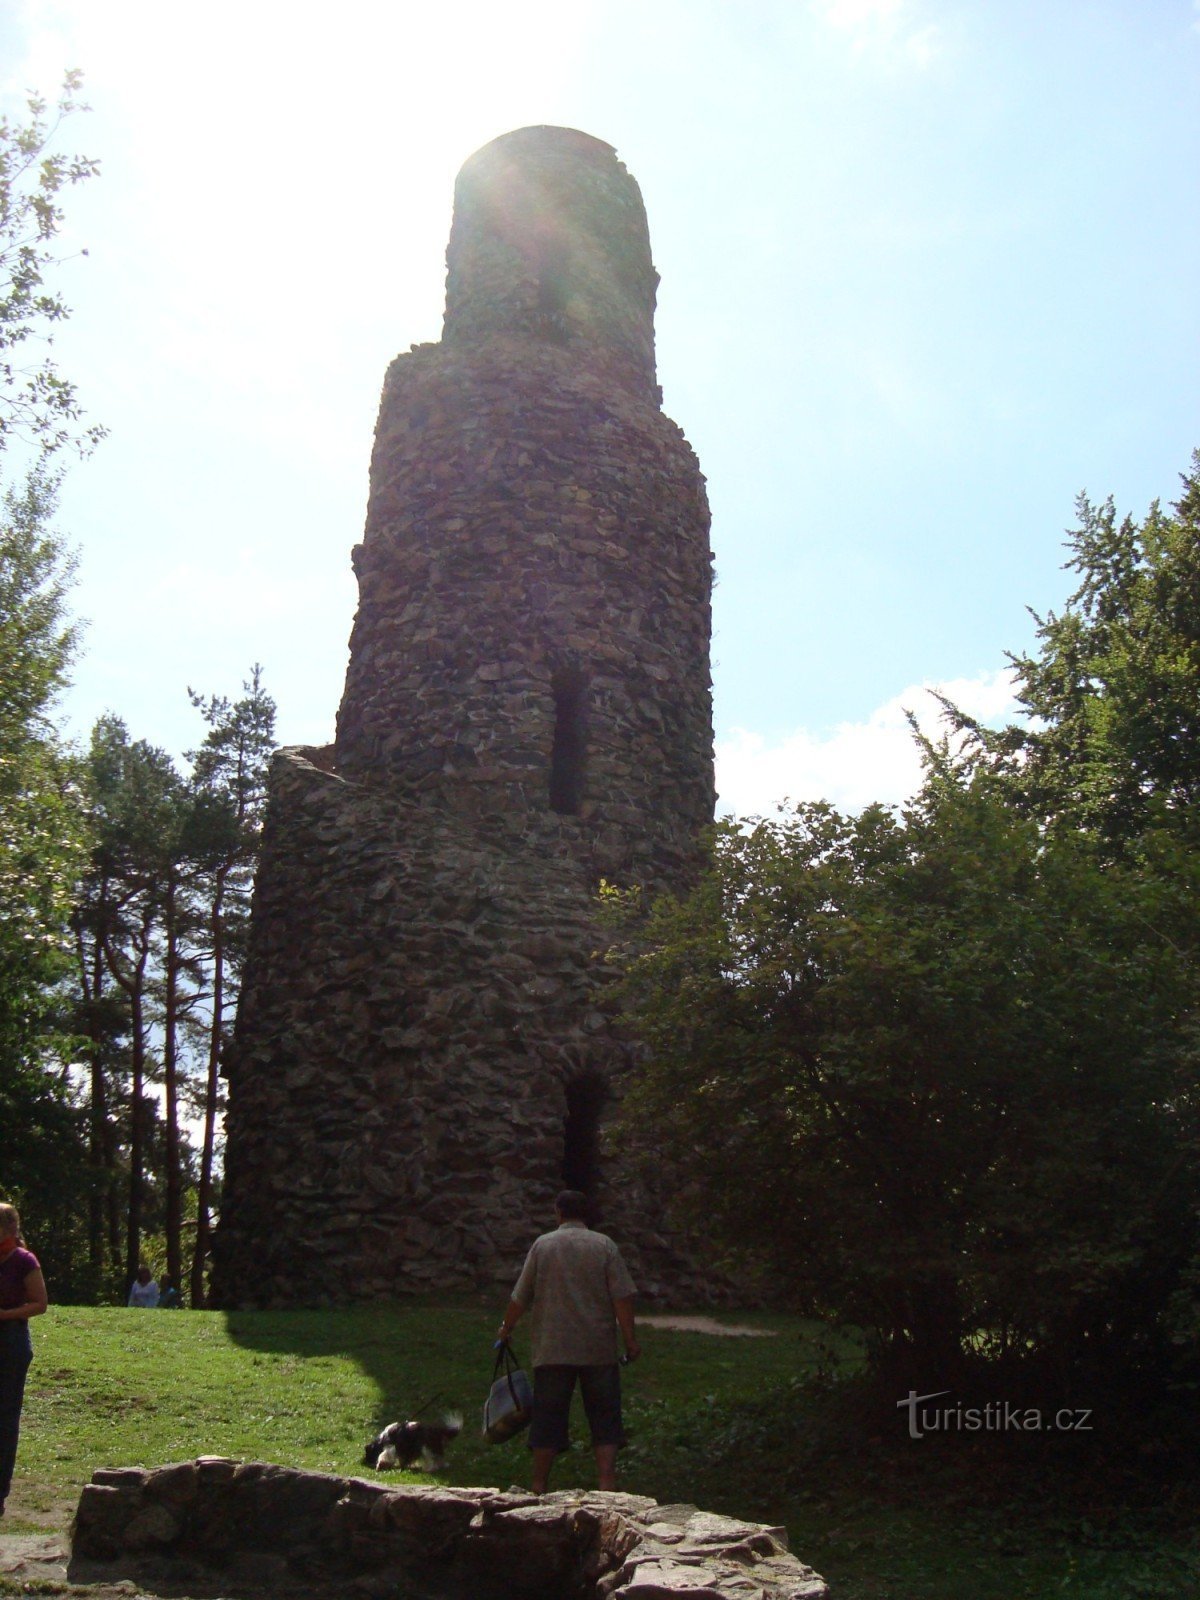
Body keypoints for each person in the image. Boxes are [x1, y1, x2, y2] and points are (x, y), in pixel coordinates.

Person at [497, 1189, 640, 1494]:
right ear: (585, 1214)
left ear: (558, 1212)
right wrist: (630, 1340)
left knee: (547, 1417)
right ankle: (606, 1482)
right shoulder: (605, 1246)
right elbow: (622, 1297)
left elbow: (520, 1296)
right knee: (605, 1417)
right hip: (598, 1348)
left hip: (553, 1347)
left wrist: (506, 1327)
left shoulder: (543, 1246)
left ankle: (538, 1484)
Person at [0, 1202, 48, 1518]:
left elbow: (40, 1303)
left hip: (11, 1342)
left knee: (4, 1418)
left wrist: (6, 1315)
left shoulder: (24, 1261)